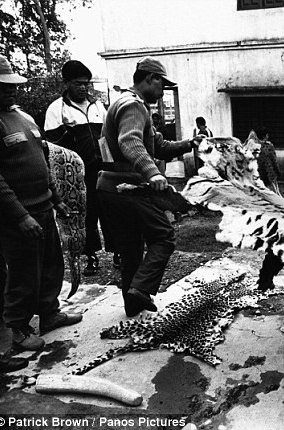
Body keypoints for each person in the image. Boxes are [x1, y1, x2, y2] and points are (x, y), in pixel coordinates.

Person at [97, 56, 203, 318]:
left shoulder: (127, 104)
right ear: (150, 78)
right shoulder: (133, 106)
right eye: (161, 84)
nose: (162, 90)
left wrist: (190, 143)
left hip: (110, 188)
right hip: (128, 187)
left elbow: (160, 146)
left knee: (131, 248)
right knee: (164, 236)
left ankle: (133, 303)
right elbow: (130, 142)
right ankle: (141, 290)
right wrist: (153, 173)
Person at [0, 53, 82, 351]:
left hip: (43, 207)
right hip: (16, 215)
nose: (12, 89)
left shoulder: (24, 117)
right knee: (22, 271)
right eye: (3, 85)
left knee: (51, 265)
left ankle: (49, 313)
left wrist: (56, 200)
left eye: (13, 84)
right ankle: (17, 326)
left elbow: (41, 160)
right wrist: (20, 216)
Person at [44, 60, 119, 275]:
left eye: (87, 83)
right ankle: (90, 256)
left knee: (110, 212)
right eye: (78, 83)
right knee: (85, 216)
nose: (84, 87)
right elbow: (53, 148)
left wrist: (110, 165)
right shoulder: (57, 110)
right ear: (66, 83)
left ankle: (117, 253)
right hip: (76, 175)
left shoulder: (98, 106)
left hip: (102, 170)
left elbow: (106, 138)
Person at [255, 126, 281, 195]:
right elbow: (273, 160)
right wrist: (278, 171)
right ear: (265, 136)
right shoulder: (269, 146)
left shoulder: (254, 146)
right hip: (269, 173)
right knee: (273, 193)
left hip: (258, 173)